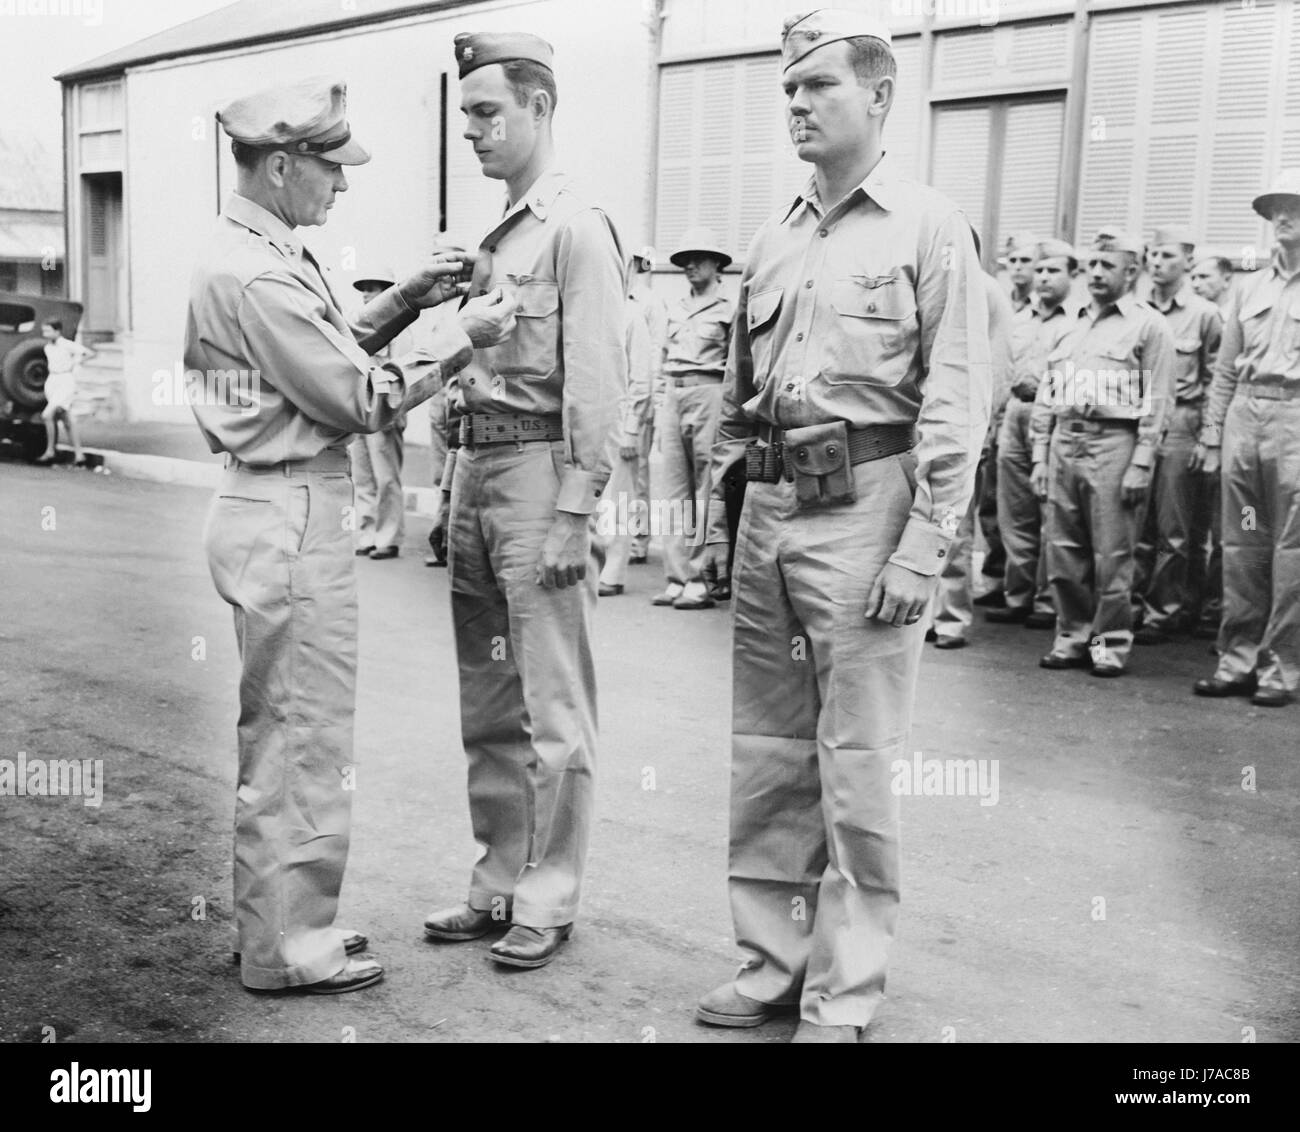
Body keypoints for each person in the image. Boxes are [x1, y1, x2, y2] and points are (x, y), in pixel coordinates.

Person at [695, 9, 990, 1042]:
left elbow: (957, 398)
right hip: (772, 511)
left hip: (870, 507)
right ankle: (771, 964)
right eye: (786, 88)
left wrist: (925, 544)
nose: (796, 104)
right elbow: (739, 396)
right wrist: (717, 517)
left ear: (878, 96)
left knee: (856, 760)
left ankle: (845, 989)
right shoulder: (774, 234)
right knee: (768, 752)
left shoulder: (927, 225)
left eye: (816, 86)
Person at [187, 76, 515, 994]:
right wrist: (460, 337)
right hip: (291, 510)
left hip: (275, 504)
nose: (341, 187)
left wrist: (407, 297)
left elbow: (326, 356)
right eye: (330, 171)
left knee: (288, 736)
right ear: (283, 164)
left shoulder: (256, 254)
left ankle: (285, 925)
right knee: (299, 741)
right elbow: (355, 396)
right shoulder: (256, 271)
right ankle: (287, 951)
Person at [421, 32, 626, 970]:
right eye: (464, 114)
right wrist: (447, 488)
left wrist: (577, 510)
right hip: (477, 474)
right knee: (489, 700)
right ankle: (499, 880)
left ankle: (549, 895)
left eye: (487, 112)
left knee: (553, 707)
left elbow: (596, 383)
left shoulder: (577, 227)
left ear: (541, 109)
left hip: (543, 476)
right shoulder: (497, 238)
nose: (472, 130)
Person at [1030, 232, 1175, 677]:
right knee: (1063, 548)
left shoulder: (1149, 326)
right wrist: (1039, 453)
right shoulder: (1070, 322)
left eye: (1106, 265)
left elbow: (1157, 399)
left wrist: (1142, 461)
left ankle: (1108, 645)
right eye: (1091, 264)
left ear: (1131, 272)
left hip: (1114, 443)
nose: (1095, 273)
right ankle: (1071, 635)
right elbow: (1047, 391)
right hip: (1064, 440)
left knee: (1113, 554)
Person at [1192, 170, 1300, 708]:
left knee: (1292, 551)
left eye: (1295, 207)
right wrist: (1213, 435)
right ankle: (1235, 659)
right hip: (1245, 415)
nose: (1283, 216)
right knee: (1241, 545)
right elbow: (1225, 368)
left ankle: (1280, 669)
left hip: (1297, 418)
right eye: (1276, 207)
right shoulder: (1247, 285)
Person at [1133, 227, 1222, 644]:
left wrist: (1208, 436)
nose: (1156, 262)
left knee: (1174, 526)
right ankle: (1136, 602)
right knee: (1138, 520)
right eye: (1151, 254)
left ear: (1188, 262)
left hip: (1183, 421)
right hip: (1138, 420)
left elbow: (1216, 378)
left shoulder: (1204, 314)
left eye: (1167, 255)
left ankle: (1164, 611)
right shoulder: (1136, 310)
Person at [987, 239, 1075, 629]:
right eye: (1039, 270)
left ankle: (1047, 599)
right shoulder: (1018, 318)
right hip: (1016, 412)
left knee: (1051, 510)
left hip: (1054, 415)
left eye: (1053, 270)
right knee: (1014, 509)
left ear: (1073, 275)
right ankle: (1018, 594)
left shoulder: (1075, 321)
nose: (1043, 277)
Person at [928, 241, 1013, 648]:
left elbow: (996, 363)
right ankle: (924, 615)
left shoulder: (985, 291)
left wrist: (985, 427)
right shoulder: (930, 284)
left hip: (963, 421)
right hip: (921, 419)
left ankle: (951, 618)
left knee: (954, 527)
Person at [651, 227, 735, 610]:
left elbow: (737, 367)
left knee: (706, 487)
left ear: (717, 265)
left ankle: (702, 578)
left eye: (698, 258)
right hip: (674, 391)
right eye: (684, 259)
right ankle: (676, 575)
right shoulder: (675, 308)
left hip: (710, 391)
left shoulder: (729, 309)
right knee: (672, 490)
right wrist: (657, 404)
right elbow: (661, 359)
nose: (689, 266)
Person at [598, 255, 658, 596]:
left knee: (620, 498)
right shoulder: (595, 314)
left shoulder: (633, 316)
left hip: (622, 419)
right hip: (595, 418)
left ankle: (614, 572)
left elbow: (641, 379)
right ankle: (595, 564)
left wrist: (633, 428)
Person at [349, 265, 415, 559]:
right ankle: (366, 534)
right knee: (362, 477)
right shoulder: (360, 326)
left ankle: (387, 538)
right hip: (360, 411)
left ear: (387, 290)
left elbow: (404, 375)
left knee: (386, 477)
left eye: (372, 287)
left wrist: (393, 413)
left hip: (384, 412)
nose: (365, 294)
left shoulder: (400, 329)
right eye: (363, 288)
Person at [627, 245, 667, 565]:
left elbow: (656, 353)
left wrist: (651, 403)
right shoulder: (612, 299)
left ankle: (638, 540)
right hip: (616, 398)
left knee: (637, 472)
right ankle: (616, 537)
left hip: (640, 398)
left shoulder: (649, 302)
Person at [37, 319, 93, 466]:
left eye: (48, 330)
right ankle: (79, 455)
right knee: (67, 419)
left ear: (57, 331)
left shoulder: (66, 344)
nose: (45, 334)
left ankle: (50, 451)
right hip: (53, 380)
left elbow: (88, 353)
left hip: (65, 380)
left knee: (47, 414)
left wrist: (76, 362)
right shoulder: (48, 347)